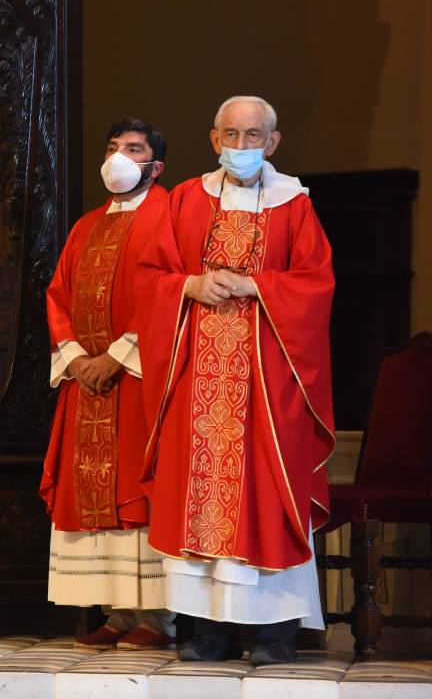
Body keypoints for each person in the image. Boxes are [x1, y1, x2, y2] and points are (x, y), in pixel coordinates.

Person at [138, 96, 335, 665]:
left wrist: (259, 287)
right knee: (197, 498)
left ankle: (275, 632)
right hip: (197, 373)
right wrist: (189, 287)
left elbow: (317, 283)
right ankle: (209, 631)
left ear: (273, 143)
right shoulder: (183, 200)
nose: (241, 146)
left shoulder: (294, 205)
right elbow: (150, 275)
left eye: (253, 136)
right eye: (231, 134)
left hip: (268, 385)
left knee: (268, 496)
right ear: (213, 137)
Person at [42, 119, 176, 650]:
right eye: (113, 147)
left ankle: (158, 616)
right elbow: (58, 294)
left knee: (138, 494)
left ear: (155, 166)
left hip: (138, 380)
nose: (118, 157)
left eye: (133, 149)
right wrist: (76, 358)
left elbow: (168, 293)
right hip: (88, 385)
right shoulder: (85, 226)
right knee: (96, 497)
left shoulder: (171, 216)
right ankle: (118, 614)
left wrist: (118, 356)